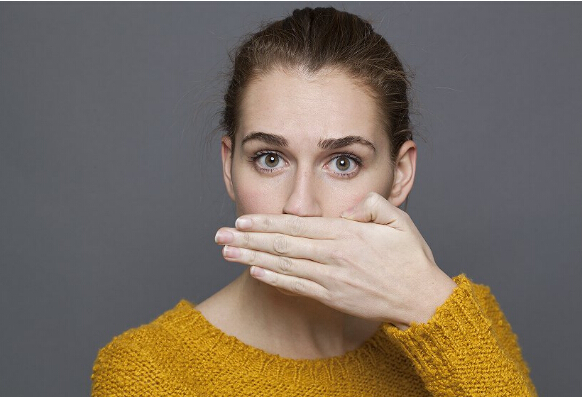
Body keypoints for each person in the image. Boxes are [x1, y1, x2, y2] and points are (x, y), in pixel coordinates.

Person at [91, 7, 537, 396]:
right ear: (229, 166)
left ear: (400, 175)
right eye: (270, 158)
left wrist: (429, 306)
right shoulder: (147, 369)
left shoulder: (460, 321)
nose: (299, 206)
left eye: (342, 163)